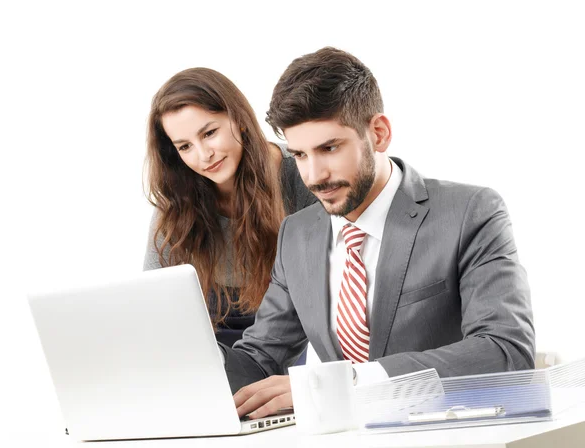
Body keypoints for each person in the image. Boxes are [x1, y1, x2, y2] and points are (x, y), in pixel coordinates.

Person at [219, 47, 535, 419]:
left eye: (330, 148)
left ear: (379, 133)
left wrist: (348, 382)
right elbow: (261, 355)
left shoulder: (469, 212)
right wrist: (180, 366)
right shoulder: (297, 234)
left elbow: (505, 350)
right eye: (300, 155)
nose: (313, 176)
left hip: (452, 432)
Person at [143, 67, 317, 353]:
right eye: (185, 146)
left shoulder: (299, 174)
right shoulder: (178, 198)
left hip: (282, 331)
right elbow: (152, 300)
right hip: (204, 337)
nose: (203, 155)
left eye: (209, 133)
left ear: (239, 120)